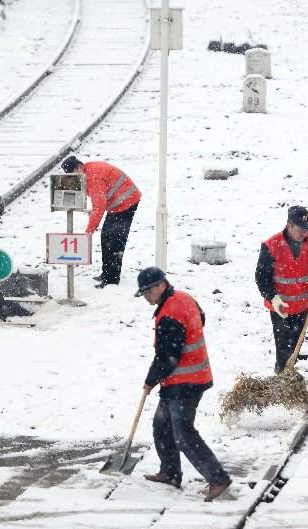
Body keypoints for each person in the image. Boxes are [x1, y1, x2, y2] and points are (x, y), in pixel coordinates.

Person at [135, 267, 232, 501]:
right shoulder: (184, 298)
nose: (146, 296)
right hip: (187, 378)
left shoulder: (170, 313)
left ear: (160, 286)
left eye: (147, 291)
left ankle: (217, 478)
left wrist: (150, 380)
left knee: (183, 434)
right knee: (162, 425)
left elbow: (168, 357)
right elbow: (202, 318)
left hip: (185, 382)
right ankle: (170, 472)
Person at [255, 205, 308, 373]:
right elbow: (262, 277)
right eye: (300, 228)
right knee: (283, 343)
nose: (305, 232)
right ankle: (283, 375)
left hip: (303, 304)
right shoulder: (271, 245)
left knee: (296, 342)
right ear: (289, 225)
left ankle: (288, 372)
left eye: (307, 228)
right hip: (280, 306)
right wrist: (272, 298)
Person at [61, 155, 141, 288]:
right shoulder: (87, 171)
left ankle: (112, 280)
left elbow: (99, 206)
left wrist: (89, 231)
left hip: (127, 202)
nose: (74, 179)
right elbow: (97, 202)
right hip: (117, 204)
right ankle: (106, 273)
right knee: (106, 237)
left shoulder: (93, 177)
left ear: (78, 167)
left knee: (115, 240)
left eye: (73, 174)